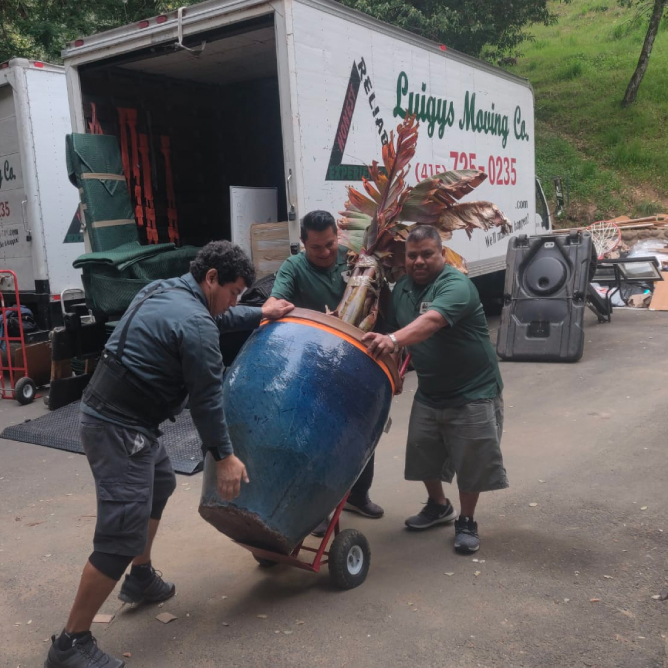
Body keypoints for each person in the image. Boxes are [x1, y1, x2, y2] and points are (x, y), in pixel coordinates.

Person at [45, 241, 293, 668]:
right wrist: (224, 455)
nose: (235, 300)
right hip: (118, 428)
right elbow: (207, 399)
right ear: (211, 278)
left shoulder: (166, 289)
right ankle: (71, 643)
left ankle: (139, 577)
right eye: (234, 291)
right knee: (119, 533)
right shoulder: (196, 323)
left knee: (160, 481)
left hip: (115, 415)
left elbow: (220, 316)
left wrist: (260, 312)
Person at [362, 225, 507, 554]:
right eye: (412, 256)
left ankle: (467, 520)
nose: (419, 261)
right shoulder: (401, 290)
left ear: (442, 254)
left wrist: (394, 340)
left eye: (427, 254)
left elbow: (430, 321)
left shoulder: (457, 285)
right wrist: (393, 366)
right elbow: (397, 329)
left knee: (471, 460)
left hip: (473, 390)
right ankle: (439, 506)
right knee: (423, 451)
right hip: (430, 391)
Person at [264, 210, 384, 531]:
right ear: (303, 244)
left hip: (358, 360)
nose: (326, 253)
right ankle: (315, 509)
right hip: (314, 364)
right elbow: (277, 300)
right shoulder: (293, 268)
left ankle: (359, 495)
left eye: (331, 244)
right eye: (317, 248)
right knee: (314, 438)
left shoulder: (353, 258)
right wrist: (270, 308)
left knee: (362, 430)